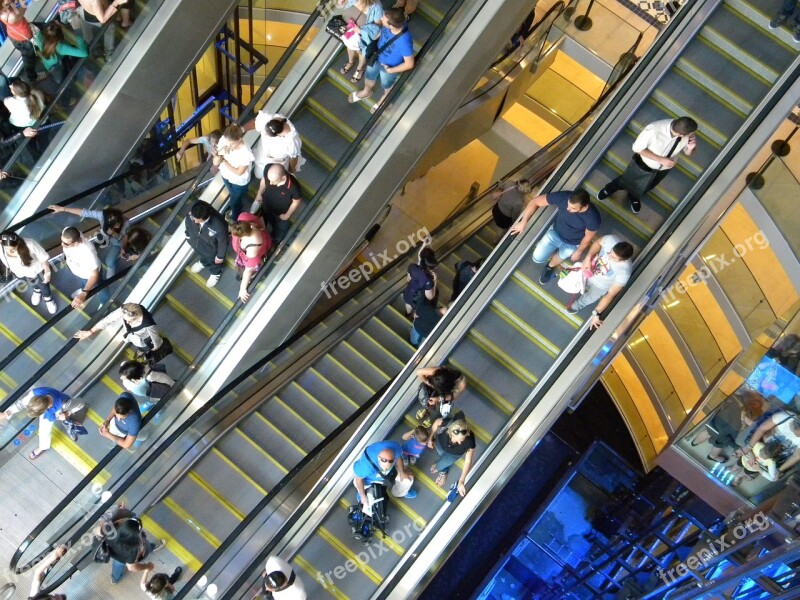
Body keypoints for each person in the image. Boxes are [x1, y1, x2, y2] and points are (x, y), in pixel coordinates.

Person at [597, 116, 698, 214]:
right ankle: (609, 188)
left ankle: (634, 196)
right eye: (689, 134)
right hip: (644, 164)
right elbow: (637, 148)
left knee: (647, 185)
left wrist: (691, 148)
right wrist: (660, 159)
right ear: (680, 134)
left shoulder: (687, 132)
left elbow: (688, 153)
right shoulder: (653, 130)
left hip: (663, 169)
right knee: (626, 180)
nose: (691, 135)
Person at [509, 189, 601, 286]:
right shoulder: (564, 197)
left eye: (573, 208)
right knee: (537, 258)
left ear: (584, 207)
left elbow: (587, 238)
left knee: (564, 254)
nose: (568, 209)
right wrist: (523, 222)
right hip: (555, 233)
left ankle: (550, 266)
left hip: (572, 243)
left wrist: (579, 251)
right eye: (568, 205)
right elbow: (535, 202)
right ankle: (553, 254)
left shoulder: (593, 218)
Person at [348, 8, 414, 114]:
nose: (381, 18)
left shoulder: (404, 42)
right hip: (377, 57)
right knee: (369, 76)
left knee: (387, 86)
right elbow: (381, 32)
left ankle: (384, 101)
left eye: (383, 18)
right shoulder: (391, 23)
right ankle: (366, 91)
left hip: (389, 67)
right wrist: (374, 41)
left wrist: (391, 70)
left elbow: (409, 63)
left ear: (391, 26)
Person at [567, 235, 634, 329]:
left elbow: (610, 294)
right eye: (610, 253)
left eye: (613, 258)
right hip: (589, 270)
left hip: (600, 286)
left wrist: (596, 313)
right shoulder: (611, 240)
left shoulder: (624, 271)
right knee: (572, 281)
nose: (609, 256)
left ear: (623, 260)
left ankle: (578, 304)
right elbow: (597, 243)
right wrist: (588, 258)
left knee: (590, 298)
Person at [0, 387, 86, 459]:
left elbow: (81, 403)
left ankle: (43, 447)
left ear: (44, 410)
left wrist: (67, 413)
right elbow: (21, 404)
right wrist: (5, 414)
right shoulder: (35, 394)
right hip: (51, 411)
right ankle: (43, 447)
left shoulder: (64, 404)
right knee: (44, 431)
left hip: (59, 410)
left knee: (45, 430)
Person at [94, 502, 165, 585]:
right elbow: (132, 568)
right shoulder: (134, 550)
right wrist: (147, 566)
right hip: (124, 557)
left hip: (114, 554)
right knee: (147, 547)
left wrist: (115, 517)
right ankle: (152, 548)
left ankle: (115, 579)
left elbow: (97, 530)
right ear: (136, 538)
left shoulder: (110, 529)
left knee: (117, 566)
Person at [49, 205, 129, 277]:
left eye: (118, 225)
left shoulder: (126, 224)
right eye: (114, 226)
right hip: (108, 240)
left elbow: (125, 241)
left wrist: (115, 235)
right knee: (103, 241)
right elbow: (85, 213)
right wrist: (62, 209)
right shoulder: (102, 216)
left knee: (109, 261)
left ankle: (112, 265)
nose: (117, 226)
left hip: (118, 244)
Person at [691, 393, 765, 463]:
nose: (750, 425)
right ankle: (712, 457)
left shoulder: (740, 401)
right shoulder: (736, 427)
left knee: (707, 432)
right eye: (749, 422)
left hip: (713, 421)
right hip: (720, 434)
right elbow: (725, 438)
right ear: (748, 418)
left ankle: (694, 442)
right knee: (720, 444)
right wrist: (736, 447)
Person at [74, 302, 164, 358]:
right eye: (126, 319)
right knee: (135, 342)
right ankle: (142, 350)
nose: (128, 323)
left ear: (137, 316)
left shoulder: (148, 324)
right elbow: (107, 320)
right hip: (131, 335)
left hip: (143, 338)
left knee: (143, 346)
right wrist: (90, 332)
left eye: (131, 321)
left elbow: (156, 340)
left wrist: (155, 348)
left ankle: (144, 351)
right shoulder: (125, 309)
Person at [0, 231, 57, 314]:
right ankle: (36, 290)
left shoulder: (30, 244)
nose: (10, 251)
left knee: (44, 286)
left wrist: (47, 272)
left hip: (36, 271)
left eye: (13, 249)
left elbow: (43, 258)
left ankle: (48, 298)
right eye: (7, 249)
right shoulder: (1, 246)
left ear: (18, 242)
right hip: (20, 273)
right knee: (31, 283)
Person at [353, 440, 417, 510]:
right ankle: (361, 493)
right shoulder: (365, 466)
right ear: (378, 459)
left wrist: (402, 472)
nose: (385, 470)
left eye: (387, 468)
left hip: (388, 473)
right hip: (370, 478)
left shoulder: (395, 448)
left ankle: (399, 492)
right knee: (365, 495)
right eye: (384, 468)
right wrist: (363, 495)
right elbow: (358, 479)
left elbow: (398, 458)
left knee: (407, 479)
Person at [427, 410, 476, 495]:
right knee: (441, 455)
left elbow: (468, 461)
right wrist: (430, 438)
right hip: (441, 445)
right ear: (450, 433)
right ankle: (443, 469)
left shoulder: (470, 440)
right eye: (458, 440)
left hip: (454, 455)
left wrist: (461, 480)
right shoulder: (446, 424)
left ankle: (443, 471)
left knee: (441, 464)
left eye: (462, 440)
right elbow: (436, 423)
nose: (460, 443)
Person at [243, 111, 304, 179]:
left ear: (278, 134)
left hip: (277, 162)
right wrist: (242, 129)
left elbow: (293, 158)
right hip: (262, 155)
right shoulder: (268, 118)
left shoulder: (292, 142)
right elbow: (255, 122)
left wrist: (291, 171)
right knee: (258, 174)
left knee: (273, 177)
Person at [213, 124, 254, 222]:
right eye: (228, 143)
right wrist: (218, 154)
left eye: (232, 144)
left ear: (239, 139)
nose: (229, 146)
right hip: (226, 175)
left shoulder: (245, 153)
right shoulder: (225, 140)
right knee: (233, 194)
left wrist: (224, 162)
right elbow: (215, 162)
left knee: (234, 202)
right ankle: (238, 200)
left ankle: (235, 217)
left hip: (239, 181)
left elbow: (239, 172)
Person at [337, 0, 384, 84]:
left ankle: (360, 68)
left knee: (361, 52)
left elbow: (378, 28)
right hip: (349, 32)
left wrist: (361, 31)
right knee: (349, 47)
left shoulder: (376, 6)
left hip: (361, 37)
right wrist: (340, 3)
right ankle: (351, 61)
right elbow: (342, 7)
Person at [254, 164, 302, 244]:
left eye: (274, 181)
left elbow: (296, 201)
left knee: (280, 229)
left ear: (283, 178)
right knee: (266, 219)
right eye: (270, 180)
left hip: (281, 213)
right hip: (267, 205)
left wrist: (287, 215)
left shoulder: (293, 187)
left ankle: (276, 241)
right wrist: (259, 193)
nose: (271, 183)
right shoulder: (269, 169)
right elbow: (264, 180)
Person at [184, 200, 228, 288]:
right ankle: (204, 263)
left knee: (213, 259)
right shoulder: (192, 211)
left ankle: (216, 272)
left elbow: (223, 242)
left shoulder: (219, 226)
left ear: (205, 218)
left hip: (210, 247)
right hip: (195, 241)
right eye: (194, 218)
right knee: (202, 254)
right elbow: (187, 221)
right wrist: (188, 233)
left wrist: (220, 257)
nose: (195, 221)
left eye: (197, 220)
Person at [230, 213, 272, 303]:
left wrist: (242, 289)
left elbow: (248, 270)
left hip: (251, 261)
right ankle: (241, 273)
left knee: (249, 273)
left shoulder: (253, 248)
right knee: (242, 270)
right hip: (243, 257)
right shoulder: (244, 218)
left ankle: (253, 277)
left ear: (244, 235)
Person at [742, 411, 800, 476]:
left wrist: (780, 470)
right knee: (743, 459)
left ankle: (746, 473)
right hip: (760, 448)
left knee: (749, 470)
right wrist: (750, 451)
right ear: (795, 427)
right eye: (799, 434)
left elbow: (796, 456)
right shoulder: (784, 417)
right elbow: (761, 429)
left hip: (775, 459)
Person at [60, 226, 104, 308]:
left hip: (88, 275)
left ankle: (104, 301)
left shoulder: (88, 253)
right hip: (79, 272)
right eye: (61, 240)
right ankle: (82, 288)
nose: (62, 244)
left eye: (65, 244)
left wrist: (84, 293)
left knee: (100, 288)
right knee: (83, 282)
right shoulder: (68, 231)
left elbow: (94, 275)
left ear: (76, 243)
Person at [0, 0, 38, 83]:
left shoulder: (3, 8)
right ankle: (32, 77)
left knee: (28, 56)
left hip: (14, 34)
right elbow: (24, 4)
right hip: (23, 39)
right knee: (29, 58)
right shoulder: (12, 16)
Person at [403, 245, 437, 315]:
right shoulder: (429, 281)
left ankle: (407, 314)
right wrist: (435, 281)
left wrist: (424, 244)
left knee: (408, 308)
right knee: (417, 310)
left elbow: (408, 279)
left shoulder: (412, 267)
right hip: (418, 299)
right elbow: (430, 297)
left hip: (409, 292)